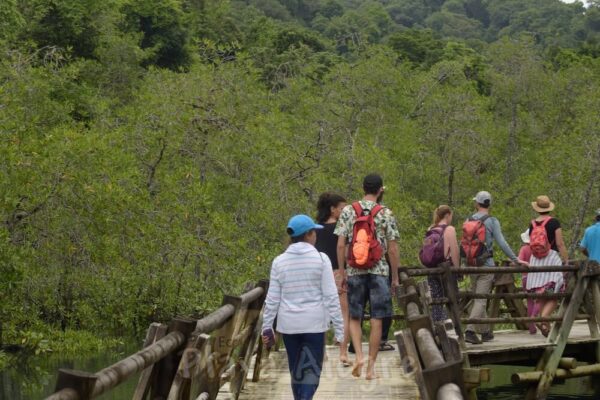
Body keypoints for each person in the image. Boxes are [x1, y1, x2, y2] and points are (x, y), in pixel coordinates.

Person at [262, 214, 344, 400]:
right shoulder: (321, 259)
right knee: (311, 372)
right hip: (314, 325)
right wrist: (340, 330)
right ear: (308, 235)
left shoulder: (279, 262)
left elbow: (272, 298)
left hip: (288, 326)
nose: (316, 236)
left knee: (296, 372)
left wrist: (267, 327)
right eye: (314, 232)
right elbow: (331, 296)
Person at [335, 173, 400, 380]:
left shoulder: (348, 211)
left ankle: (359, 357)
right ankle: (371, 368)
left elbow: (340, 244)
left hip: (355, 270)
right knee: (377, 319)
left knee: (355, 317)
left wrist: (343, 272)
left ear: (363, 188)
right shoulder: (386, 213)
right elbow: (392, 248)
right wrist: (395, 276)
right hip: (379, 271)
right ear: (380, 189)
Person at [464, 191, 525, 345]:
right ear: (489, 204)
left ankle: (485, 332)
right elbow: (502, 242)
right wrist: (515, 259)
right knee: (481, 300)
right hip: (486, 264)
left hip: (472, 264)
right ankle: (470, 331)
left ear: (477, 204)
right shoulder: (492, 221)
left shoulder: (468, 219)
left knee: (478, 297)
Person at [315, 192, 351, 366]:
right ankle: (343, 353)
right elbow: (346, 251)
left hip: (319, 272)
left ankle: (321, 353)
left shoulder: (314, 229)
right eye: (342, 208)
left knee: (321, 313)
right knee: (344, 312)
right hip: (338, 271)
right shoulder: (342, 228)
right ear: (332, 209)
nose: (345, 211)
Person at [526, 195, 568, 337]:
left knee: (542, 295)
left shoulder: (532, 224)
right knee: (554, 295)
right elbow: (560, 243)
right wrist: (566, 260)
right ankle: (543, 319)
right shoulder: (554, 222)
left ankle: (545, 326)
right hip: (551, 258)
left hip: (536, 260)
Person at [426, 205, 460, 323]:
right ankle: (452, 327)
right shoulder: (449, 229)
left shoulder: (430, 229)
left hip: (432, 269)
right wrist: (457, 269)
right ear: (447, 215)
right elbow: (454, 252)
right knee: (452, 299)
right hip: (446, 269)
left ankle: (437, 326)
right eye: (451, 216)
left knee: (436, 299)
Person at [518, 230, 536, 334]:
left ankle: (532, 327)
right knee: (540, 301)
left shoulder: (524, 249)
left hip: (526, 278)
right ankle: (541, 322)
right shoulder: (539, 249)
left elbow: (519, 261)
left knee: (530, 301)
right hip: (539, 278)